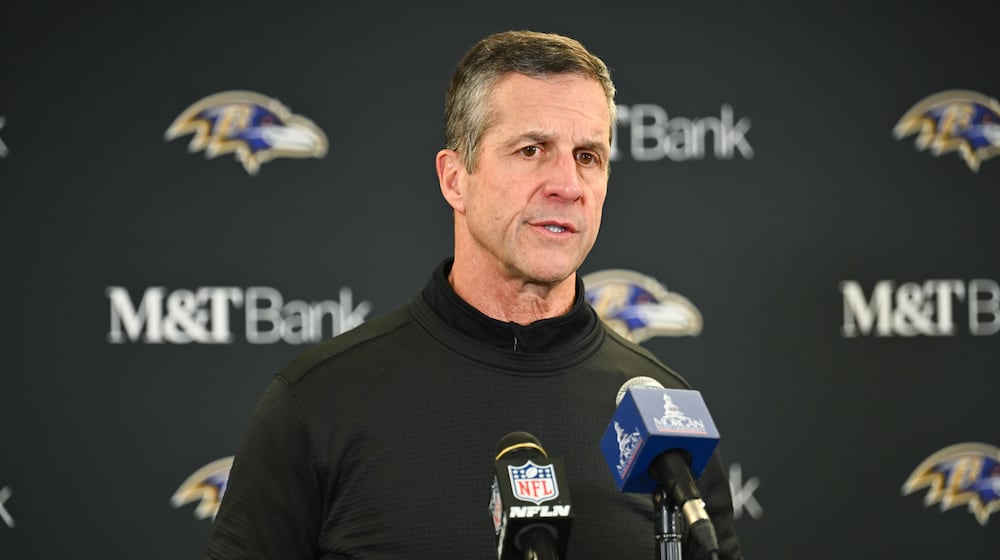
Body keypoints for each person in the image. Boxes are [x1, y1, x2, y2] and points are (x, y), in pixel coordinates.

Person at [205, 30, 744, 560]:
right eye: (532, 150)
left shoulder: (666, 426)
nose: (567, 185)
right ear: (455, 179)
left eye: (587, 156)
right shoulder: (319, 402)